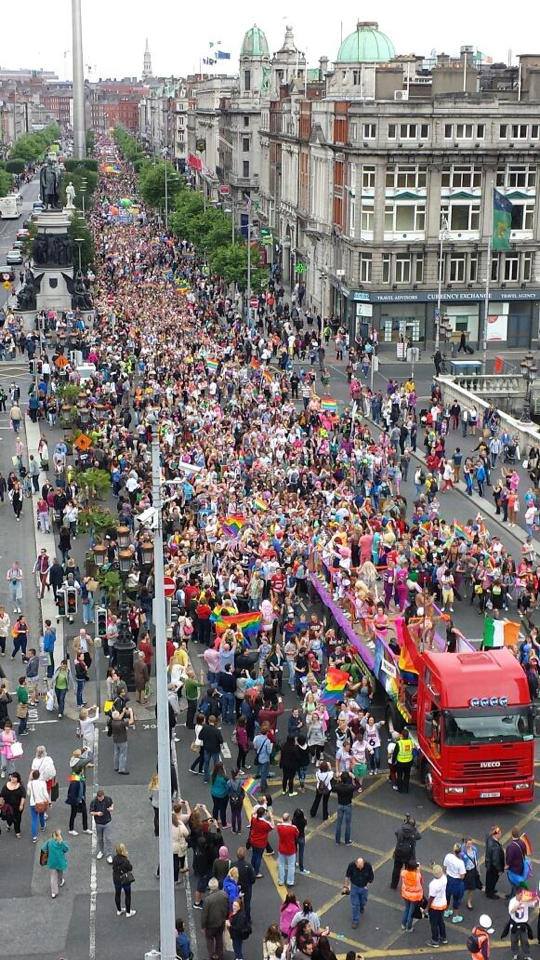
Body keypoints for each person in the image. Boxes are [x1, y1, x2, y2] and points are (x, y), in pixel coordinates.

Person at [201, 876, 229, 960]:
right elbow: (227, 907)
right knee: (219, 938)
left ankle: (212, 955)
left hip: (211, 924)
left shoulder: (207, 900)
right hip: (221, 921)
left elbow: (204, 914)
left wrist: (203, 926)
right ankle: (220, 955)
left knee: (209, 939)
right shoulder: (224, 894)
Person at [391, 814, 421, 888]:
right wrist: (414, 828)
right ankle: (407, 885)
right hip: (409, 854)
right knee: (409, 871)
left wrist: (403, 825)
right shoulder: (414, 832)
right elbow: (419, 836)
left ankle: (393, 885)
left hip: (399, 852)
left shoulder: (401, 829)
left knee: (396, 869)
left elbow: (396, 833)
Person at [343, 856, 374, 929]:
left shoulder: (368, 866)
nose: (360, 868)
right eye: (358, 867)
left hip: (364, 887)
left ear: (363, 863)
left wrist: (367, 885)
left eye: (361, 867)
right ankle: (355, 921)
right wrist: (345, 886)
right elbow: (347, 876)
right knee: (355, 905)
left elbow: (371, 877)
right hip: (354, 887)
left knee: (363, 901)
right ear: (356, 863)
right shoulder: (351, 865)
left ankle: (362, 906)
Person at [503, 889, 533, 960]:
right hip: (514, 925)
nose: (522, 897)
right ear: (516, 894)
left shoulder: (525, 900)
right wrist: (517, 906)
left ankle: (527, 955)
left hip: (523, 925)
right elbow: (511, 911)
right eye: (520, 895)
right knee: (514, 940)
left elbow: (533, 903)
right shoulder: (512, 901)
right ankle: (515, 954)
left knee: (525, 941)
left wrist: (533, 898)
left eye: (522, 895)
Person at [40, 829, 69, 898]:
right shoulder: (61, 843)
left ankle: (54, 892)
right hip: (60, 862)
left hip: (52, 862)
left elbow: (43, 848)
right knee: (60, 872)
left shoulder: (49, 842)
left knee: (53, 877)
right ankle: (61, 881)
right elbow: (66, 849)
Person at [89, 788, 114, 863]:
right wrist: (97, 813)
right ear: (97, 797)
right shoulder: (94, 802)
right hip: (99, 823)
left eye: (102, 797)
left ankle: (109, 854)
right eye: (99, 798)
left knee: (108, 838)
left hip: (107, 822)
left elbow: (112, 804)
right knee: (100, 838)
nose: (100, 799)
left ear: (103, 796)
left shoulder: (107, 799)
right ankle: (101, 851)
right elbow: (91, 812)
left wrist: (111, 808)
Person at [248, 804, 274, 877]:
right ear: (263, 814)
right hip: (261, 842)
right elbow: (272, 827)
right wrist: (271, 817)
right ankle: (256, 872)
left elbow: (252, 815)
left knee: (254, 854)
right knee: (259, 856)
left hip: (253, 840)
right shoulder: (265, 824)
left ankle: (252, 868)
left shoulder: (253, 819)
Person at [426, 864, 448, 947]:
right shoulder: (444, 878)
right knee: (440, 921)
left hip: (435, 906)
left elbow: (431, 897)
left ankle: (435, 940)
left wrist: (427, 908)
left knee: (434, 923)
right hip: (442, 903)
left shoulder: (433, 884)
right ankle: (443, 937)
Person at [112, 842, 136, 917]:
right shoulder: (125, 860)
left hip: (116, 879)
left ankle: (119, 910)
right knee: (127, 895)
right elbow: (130, 868)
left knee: (117, 894)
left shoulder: (115, 858)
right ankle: (128, 912)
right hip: (125, 879)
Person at [232, 846, 256, 922]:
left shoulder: (233, 864)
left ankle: (235, 917)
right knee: (247, 903)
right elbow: (253, 878)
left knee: (235, 902)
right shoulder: (248, 866)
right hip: (247, 887)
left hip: (236, 886)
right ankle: (247, 918)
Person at [276, 811, 299, 888]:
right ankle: (290, 881)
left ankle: (281, 881)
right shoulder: (293, 828)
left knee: (281, 865)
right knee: (291, 866)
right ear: (289, 819)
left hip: (281, 849)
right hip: (291, 849)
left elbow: (279, 824)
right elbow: (297, 835)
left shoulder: (279, 827)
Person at [0, 770, 26, 836]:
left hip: (17, 807)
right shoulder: (6, 785)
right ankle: (9, 824)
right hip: (8, 807)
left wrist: (21, 805)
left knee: (18, 819)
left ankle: (17, 831)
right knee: (9, 818)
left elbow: (23, 796)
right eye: (12, 777)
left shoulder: (20, 787)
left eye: (14, 777)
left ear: (17, 779)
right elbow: (2, 795)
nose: (12, 778)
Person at [400, 860, 424, 932]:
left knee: (407, 909)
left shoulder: (403, 873)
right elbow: (421, 882)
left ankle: (403, 924)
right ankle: (409, 927)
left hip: (406, 894)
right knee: (411, 912)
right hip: (414, 897)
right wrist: (419, 871)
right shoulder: (417, 875)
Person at [27, 768, 49, 841]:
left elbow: (28, 793)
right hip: (41, 802)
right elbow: (45, 794)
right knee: (41, 815)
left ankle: (34, 836)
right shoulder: (42, 783)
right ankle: (42, 826)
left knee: (34, 819)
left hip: (33, 803)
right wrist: (49, 801)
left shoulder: (30, 783)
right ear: (39, 775)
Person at [333, 771, 355, 845]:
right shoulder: (350, 787)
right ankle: (347, 841)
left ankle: (337, 841)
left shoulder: (338, 786)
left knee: (339, 823)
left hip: (340, 805)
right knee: (348, 824)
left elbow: (332, 787)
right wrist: (353, 777)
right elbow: (358, 785)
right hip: (348, 805)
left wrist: (337, 778)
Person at [484, 825, 504, 899]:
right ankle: (490, 893)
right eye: (500, 833)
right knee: (493, 880)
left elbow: (488, 834)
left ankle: (488, 890)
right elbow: (496, 860)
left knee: (488, 878)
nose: (501, 834)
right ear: (496, 834)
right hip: (493, 867)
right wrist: (499, 870)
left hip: (489, 864)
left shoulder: (489, 838)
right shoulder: (495, 846)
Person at [393, 728, 414, 793]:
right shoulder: (411, 742)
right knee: (407, 776)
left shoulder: (399, 743)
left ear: (402, 735)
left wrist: (393, 761)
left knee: (399, 776)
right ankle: (406, 789)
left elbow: (395, 753)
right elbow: (412, 751)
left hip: (400, 763)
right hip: (409, 762)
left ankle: (400, 789)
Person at [111, 708, 131, 775]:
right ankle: (121, 769)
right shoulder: (121, 723)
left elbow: (118, 717)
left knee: (116, 753)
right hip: (122, 740)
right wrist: (131, 712)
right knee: (123, 754)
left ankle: (116, 767)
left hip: (115, 740)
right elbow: (131, 721)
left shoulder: (112, 722)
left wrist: (123, 711)